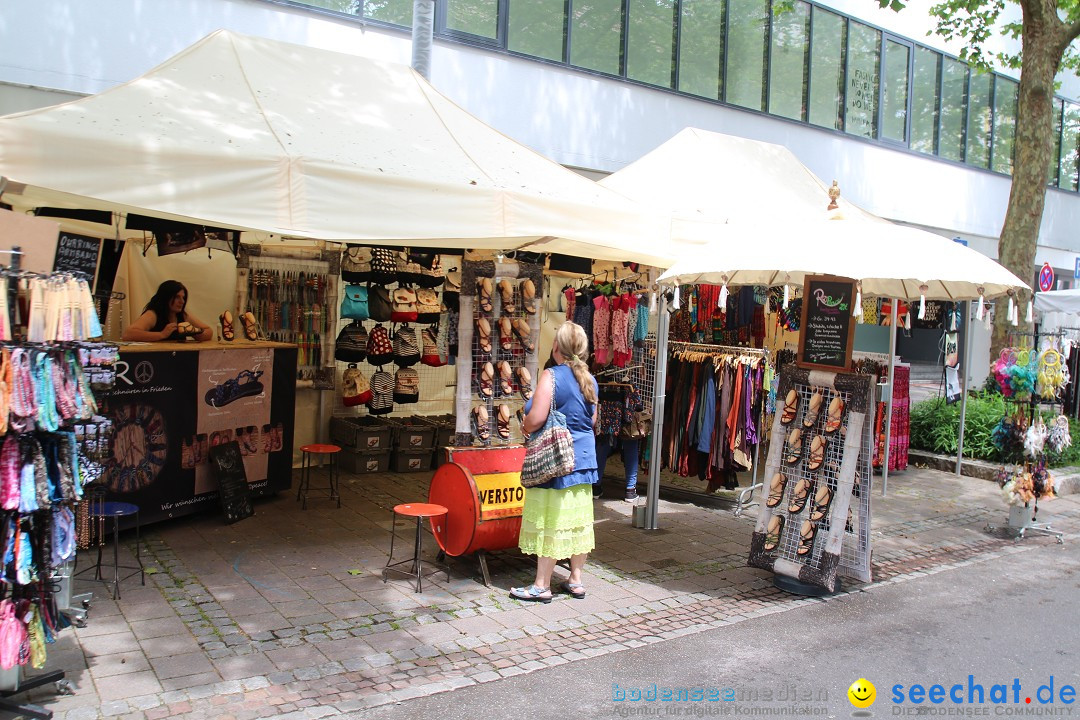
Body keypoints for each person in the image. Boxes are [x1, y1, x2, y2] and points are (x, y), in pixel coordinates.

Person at [511, 321, 598, 603]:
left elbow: (536, 418)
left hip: (556, 458)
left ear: (556, 346)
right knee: (577, 522)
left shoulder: (551, 375)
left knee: (552, 521)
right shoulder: (590, 379)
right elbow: (592, 420)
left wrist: (525, 427)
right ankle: (575, 580)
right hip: (584, 458)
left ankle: (541, 585)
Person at [122, 280, 213, 342]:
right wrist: (161, 335)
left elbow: (209, 331)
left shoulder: (183, 316)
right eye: (177, 297)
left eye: (183, 297)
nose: (182, 301)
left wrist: (196, 333)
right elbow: (128, 334)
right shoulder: (153, 315)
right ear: (166, 297)